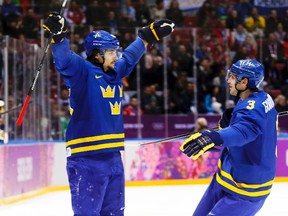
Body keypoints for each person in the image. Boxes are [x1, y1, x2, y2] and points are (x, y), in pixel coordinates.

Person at [42, 12, 174, 215]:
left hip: (113, 157)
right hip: (86, 158)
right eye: (112, 52)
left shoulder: (114, 72)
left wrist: (147, 36)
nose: (116, 56)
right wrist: (59, 37)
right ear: (97, 54)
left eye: (116, 52)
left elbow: (129, 58)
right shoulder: (82, 71)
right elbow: (64, 61)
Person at [180, 59, 278, 215]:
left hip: (245, 190)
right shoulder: (256, 99)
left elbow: (243, 131)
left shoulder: (254, 107)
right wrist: (232, 117)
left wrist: (213, 137)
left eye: (232, 76)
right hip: (224, 179)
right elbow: (245, 122)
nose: (228, 80)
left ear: (244, 81)